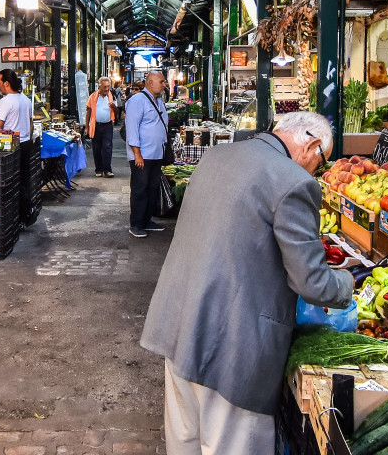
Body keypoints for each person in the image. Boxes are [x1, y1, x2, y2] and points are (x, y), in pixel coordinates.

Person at [141, 111, 353, 455]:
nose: (318, 168)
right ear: (312, 144)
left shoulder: (217, 157)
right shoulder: (294, 182)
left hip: (179, 321)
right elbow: (312, 282)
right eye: (322, 160)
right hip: (234, 344)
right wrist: (348, 283)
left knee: (185, 441)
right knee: (231, 444)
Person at [124, 71, 169, 238]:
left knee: (152, 189)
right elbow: (132, 129)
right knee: (140, 189)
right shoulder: (137, 101)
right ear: (150, 83)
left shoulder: (159, 101)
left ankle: (147, 220)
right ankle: (136, 224)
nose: (164, 84)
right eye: (161, 81)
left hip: (156, 153)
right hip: (142, 155)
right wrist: (137, 154)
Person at [86, 76, 118, 178]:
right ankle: (98, 169)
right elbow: (88, 112)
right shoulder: (93, 97)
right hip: (96, 125)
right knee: (97, 148)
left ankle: (107, 170)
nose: (107, 89)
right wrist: (87, 126)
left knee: (107, 147)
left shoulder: (111, 96)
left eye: (108, 86)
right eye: (105, 87)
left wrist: (114, 107)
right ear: (100, 86)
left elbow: (117, 112)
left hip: (108, 125)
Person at [0, 69, 34, 140]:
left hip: (11, 145)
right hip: (26, 143)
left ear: (6, 83)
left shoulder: (5, 101)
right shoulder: (26, 99)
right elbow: (31, 125)